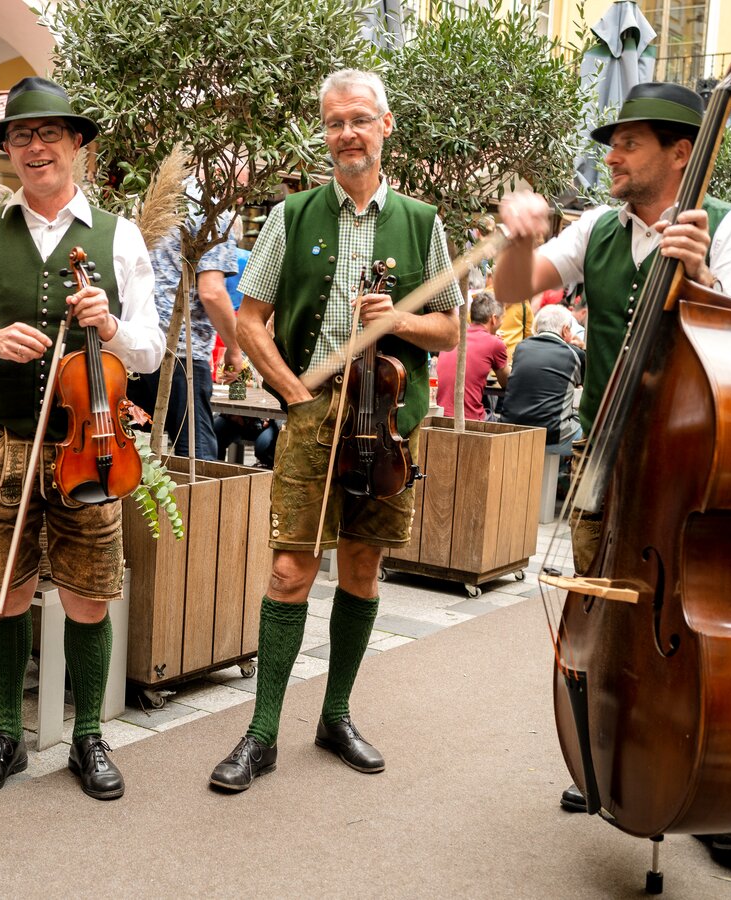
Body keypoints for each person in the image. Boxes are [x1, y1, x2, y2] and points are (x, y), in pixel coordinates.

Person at [495, 82, 731, 857]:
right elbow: (512, 287)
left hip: (698, 458)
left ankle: (710, 788)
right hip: (606, 450)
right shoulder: (597, 228)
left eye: (628, 143)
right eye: (611, 144)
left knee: (699, 618)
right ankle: (608, 756)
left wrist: (704, 276)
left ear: (681, 152)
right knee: (603, 610)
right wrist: (516, 239)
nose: (611, 157)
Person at [210, 68, 462, 792]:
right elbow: (249, 320)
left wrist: (398, 320)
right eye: (334, 122)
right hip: (313, 413)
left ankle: (336, 715)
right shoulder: (291, 216)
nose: (347, 134)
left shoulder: (422, 222)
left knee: (362, 567)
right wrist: (292, 392)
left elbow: (449, 327)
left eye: (359, 120)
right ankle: (261, 734)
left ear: (386, 127)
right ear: (324, 133)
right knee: (289, 571)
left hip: (388, 419)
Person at [0, 77, 164, 800]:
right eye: (20, 136)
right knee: (4, 591)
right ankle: (7, 734)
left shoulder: (120, 236)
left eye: (49, 134)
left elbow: (150, 350)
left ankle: (88, 736)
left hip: (92, 442)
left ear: (77, 144)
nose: (34, 147)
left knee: (90, 594)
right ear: (8, 151)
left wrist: (110, 326)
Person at [126, 211, 240, 459]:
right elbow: (211, 292)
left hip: (136, 346)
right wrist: (235, 348)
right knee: (196, 455)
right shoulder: (212, 211)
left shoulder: (151, 204)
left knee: (132, 449)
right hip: (181, 351)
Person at [497, 304, 584, 449]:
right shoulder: (575, 354)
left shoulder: (521, 347)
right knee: (590, 434)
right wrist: (583, 348)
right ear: (565, 330)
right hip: (552, 437)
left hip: (511, 431)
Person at [434, 291, 508, 421]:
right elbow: (507, 383)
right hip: (467, 418)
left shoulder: (455, 335)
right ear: (494, 319)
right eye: (502, 318)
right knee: (501, 419)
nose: (502, 322)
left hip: (439, 413)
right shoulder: (495, 344)